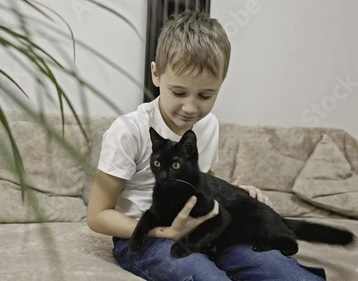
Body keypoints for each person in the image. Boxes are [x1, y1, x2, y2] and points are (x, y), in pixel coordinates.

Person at [86, 9, 326, 281]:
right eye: (179, 92)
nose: (190, 107)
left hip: (205, 229)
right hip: (144, 237)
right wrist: (163, 232)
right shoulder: (129, 131)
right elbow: (97, 215)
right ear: (156, 74)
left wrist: (236, 193)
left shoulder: (208, 124)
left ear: (220, 84)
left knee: (285, 274)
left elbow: (198, 182)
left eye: (205, 95)